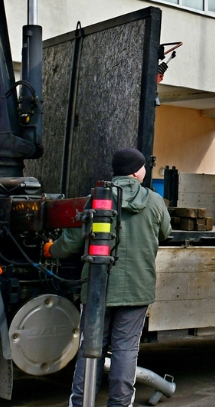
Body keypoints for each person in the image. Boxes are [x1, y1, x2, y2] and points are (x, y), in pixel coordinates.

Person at [45, 148, 171, 407]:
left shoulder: (97, 199)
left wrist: (50, 249)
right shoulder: (154, 201)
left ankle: (80, 402)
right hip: (137, 289)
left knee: (91, 349)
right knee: (125, 350)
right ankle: (120, 403)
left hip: (98, 289)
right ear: (137, 171)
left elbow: (71, 241)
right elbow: (164, 232)